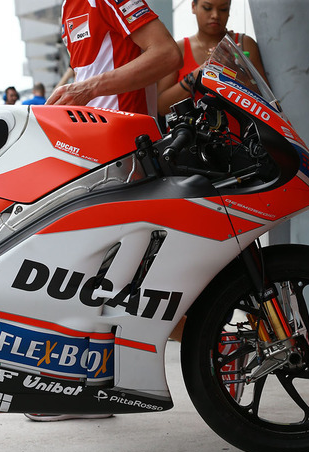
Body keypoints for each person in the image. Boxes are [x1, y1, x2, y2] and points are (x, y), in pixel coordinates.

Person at [26, 0, 181, 423]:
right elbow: (89, 76)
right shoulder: (68, 8)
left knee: (81, 269)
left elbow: (167, 54)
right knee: (92, 274)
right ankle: (89, 388)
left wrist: (87, 90)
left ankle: (75, 390)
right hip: (91, 157)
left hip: (126, 153)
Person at [47, 0, 182, 114]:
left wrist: (88, 89)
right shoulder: (66, 6)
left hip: (129, 136)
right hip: (88, 135)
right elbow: (84, 73)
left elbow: (168, 54)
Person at [157, 0, 268, 115]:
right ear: (193, 7)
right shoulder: (179, 49)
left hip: (235, 132)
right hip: (190, 131)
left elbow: (267, 102)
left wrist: (236, 71)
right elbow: (161, 106)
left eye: (223, 9)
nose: (215, 15)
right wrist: (195, 75)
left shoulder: (244, 44)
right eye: (207, 8)